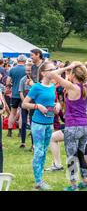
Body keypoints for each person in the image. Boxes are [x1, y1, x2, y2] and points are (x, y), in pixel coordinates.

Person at [49, 62, 87, 191]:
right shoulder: (86, 86)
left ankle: (73, 184)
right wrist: (81, 66)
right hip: (85, 126)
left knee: (71, 156)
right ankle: (85, 182)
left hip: (73, 126)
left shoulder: (72, 87)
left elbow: (52, 74)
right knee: (80, 154)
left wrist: (68, 67)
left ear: (73, 75)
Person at [22, 61, 61, 191]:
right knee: (38, 152)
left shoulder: (52, 87)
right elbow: (24, 104)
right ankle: (38, 182)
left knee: (44, 152)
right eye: (51, 69)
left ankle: (40, 180)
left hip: (49, 124)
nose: (54, 71)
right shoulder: (36, 87)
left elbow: (54, 102)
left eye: (55, 69)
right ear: (44, 73)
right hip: (38, 124)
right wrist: (37, 106)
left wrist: (57, 106)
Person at [6, 55, 27, 138]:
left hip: (14, 94)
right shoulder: (26, 70)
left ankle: (9, 132)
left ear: (17, 60)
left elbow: (8, 81)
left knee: (12, 113)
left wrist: (10, 86)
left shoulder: (12, 69)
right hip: (24, 95)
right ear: (25, 61)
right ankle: (20, 132)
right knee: (22, 113)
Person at [18, 63, 33, 148]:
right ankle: (23, 142)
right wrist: (25, 104)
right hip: (24, 103)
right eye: (27, 70)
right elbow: (20, 92)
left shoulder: (35, 80)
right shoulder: (23, 80)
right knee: (23, 122)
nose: (28, 72)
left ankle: (33, 144)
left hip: (33, 104)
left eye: (29, 70)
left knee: (32, 123)